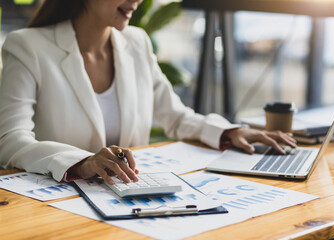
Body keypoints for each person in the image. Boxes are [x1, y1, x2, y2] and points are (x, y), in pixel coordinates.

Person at [0, 0, 296, 185]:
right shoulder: (28, 46)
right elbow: (10, 141)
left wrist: (230, 132)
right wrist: (82, 162)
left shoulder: (137, 42)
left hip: (133, 201)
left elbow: (176, 116)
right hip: (59, 206)